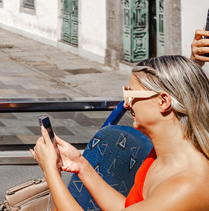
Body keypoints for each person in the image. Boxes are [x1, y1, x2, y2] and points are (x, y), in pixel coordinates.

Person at [31, 55, 209, 210]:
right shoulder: (158, 157)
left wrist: (50, 170)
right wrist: (81, 165)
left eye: (131, 95)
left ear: (163, 101)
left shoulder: (186, 186)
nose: (126, 104)